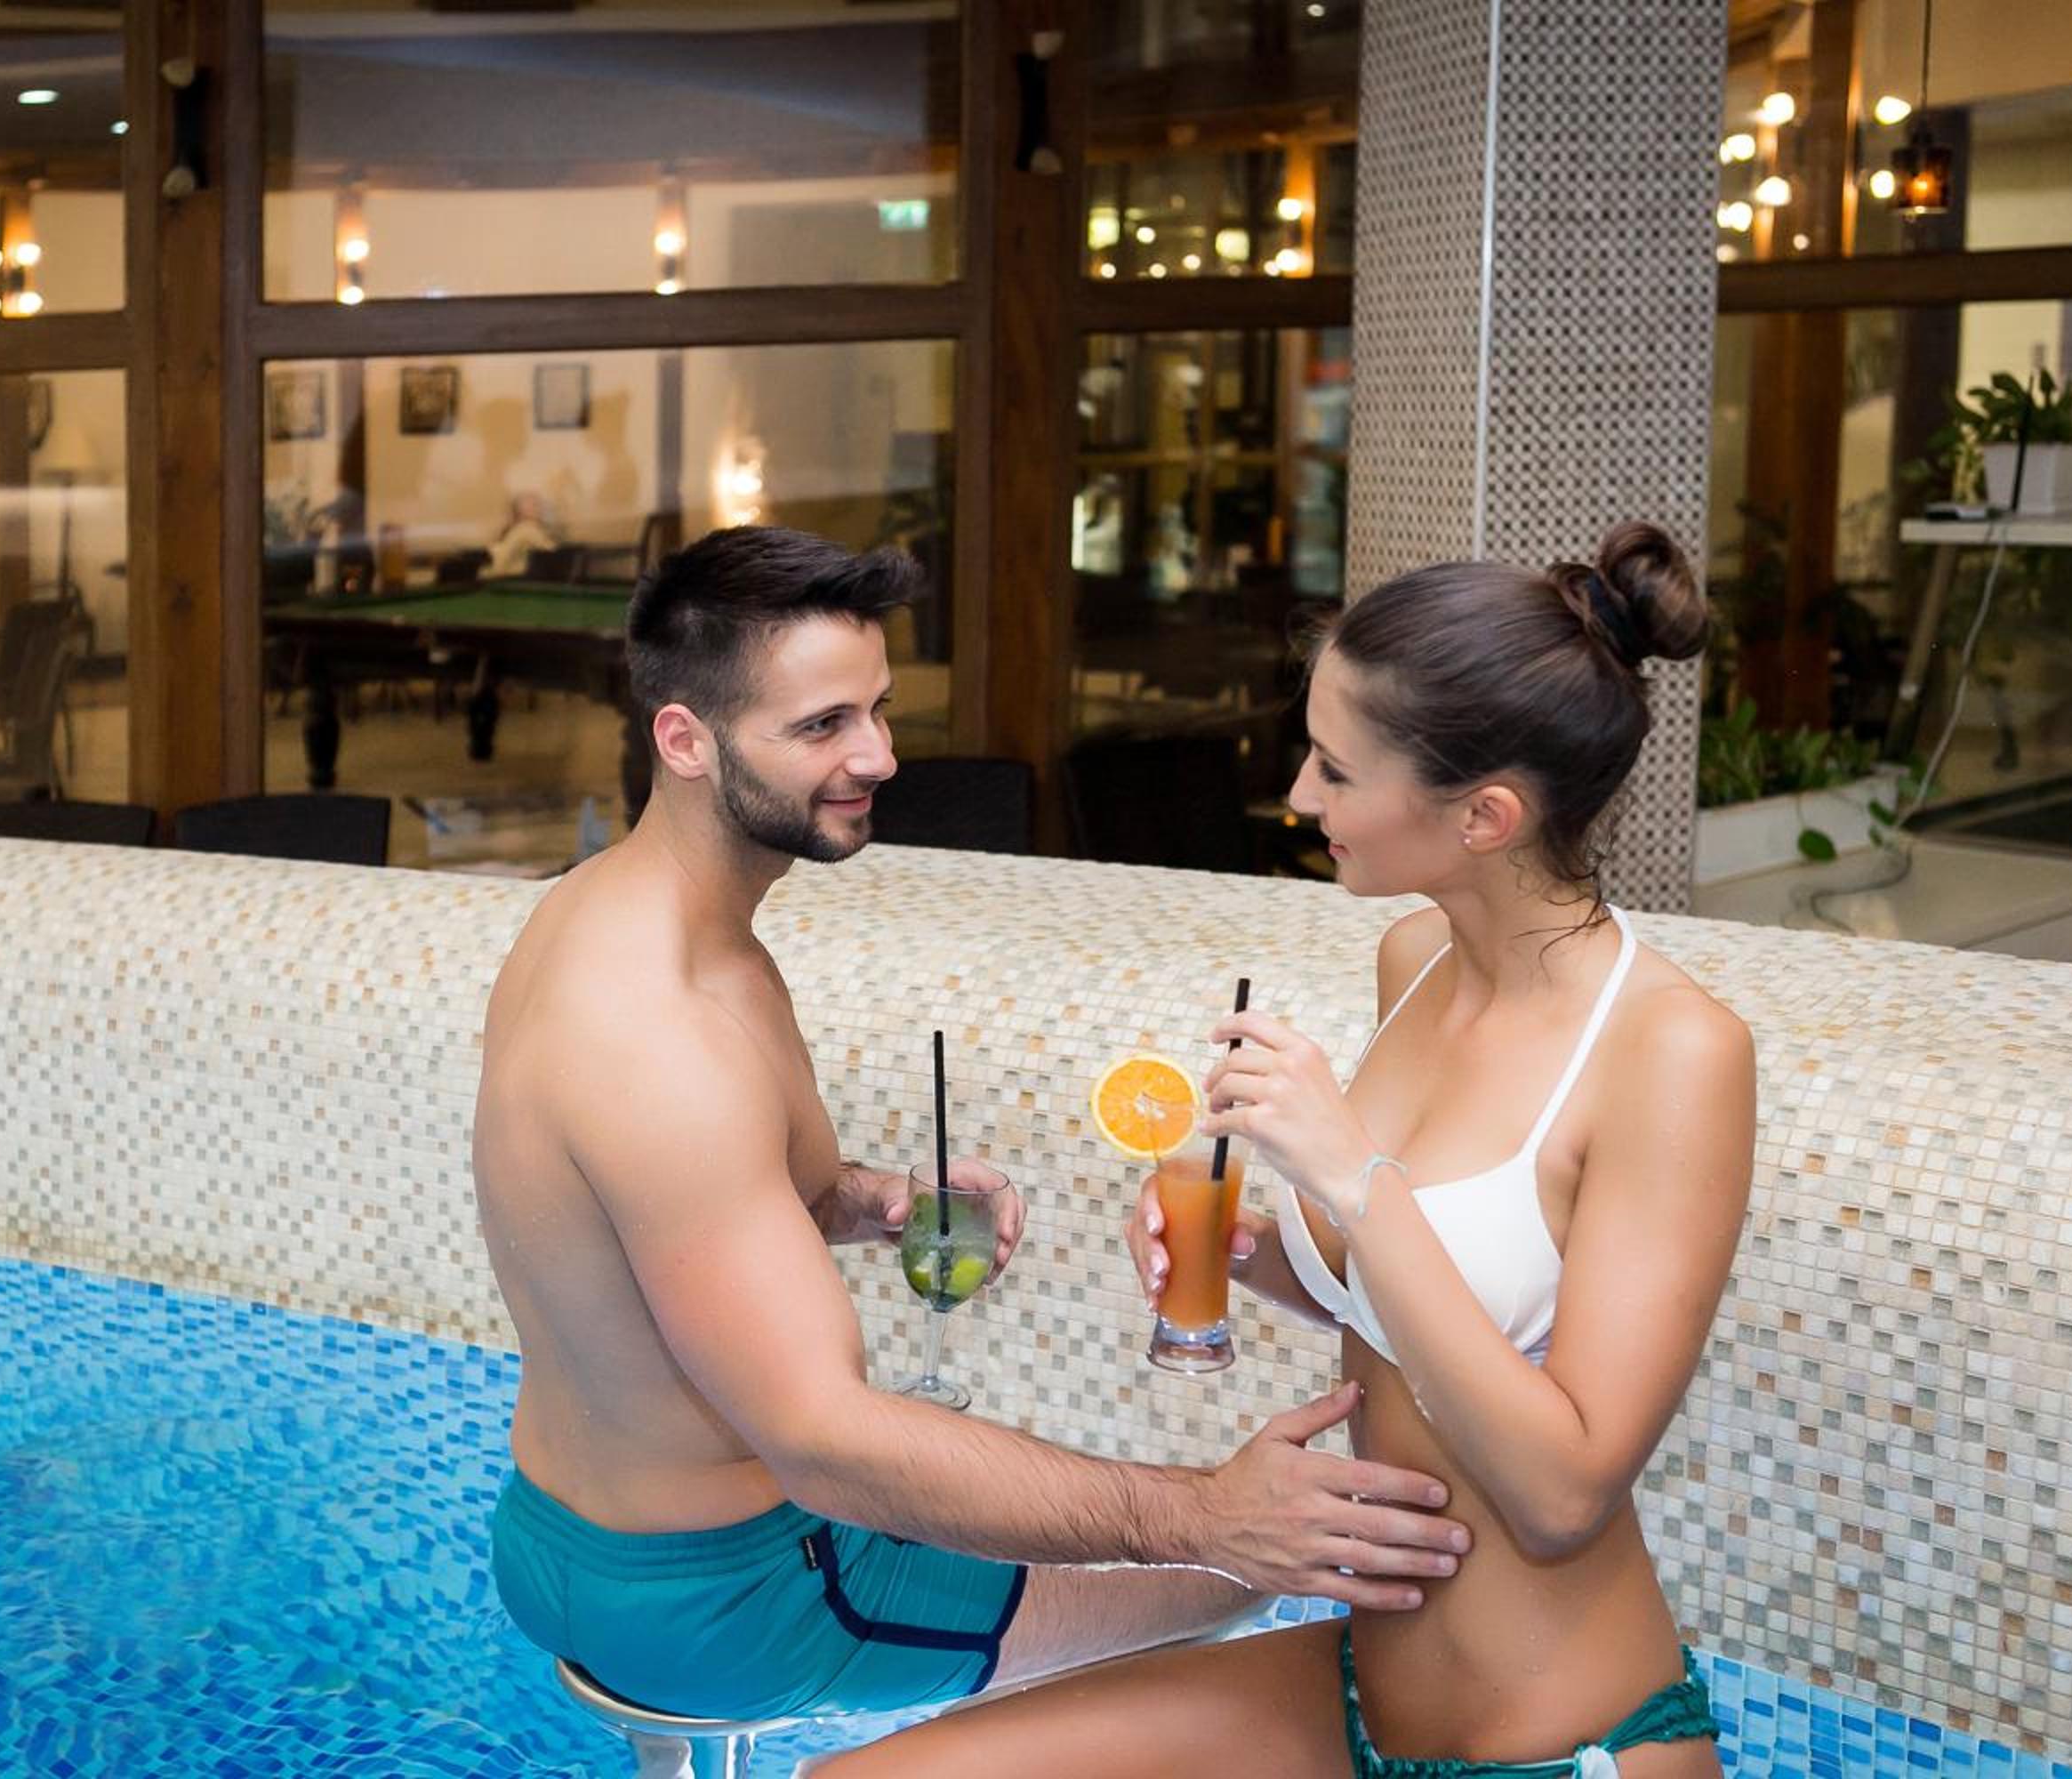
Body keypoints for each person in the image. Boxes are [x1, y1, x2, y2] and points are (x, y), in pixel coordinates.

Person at [476, 526, 1472, 1727]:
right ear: (684, 740)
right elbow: (823, 1442)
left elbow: (655, 1208)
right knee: (1256, 1573)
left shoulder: (599, 919)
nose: (879, 757)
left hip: (555, 1537)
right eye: (822, 726)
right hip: (738, 1597)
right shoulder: (665, 1033)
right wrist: (1203, 1514)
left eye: (879, 710)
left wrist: (869, 1200)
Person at [822, 522, 1755, 1776]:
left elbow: (1563, 1493)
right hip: (1364, 1691)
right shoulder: (1414, 960)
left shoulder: (1673, 1051)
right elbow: (1419, 1301)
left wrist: (1354, 1180)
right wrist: (1252, 1253)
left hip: (1567, 1737)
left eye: (1337, 770)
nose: (1302, 797)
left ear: (1485, 815)